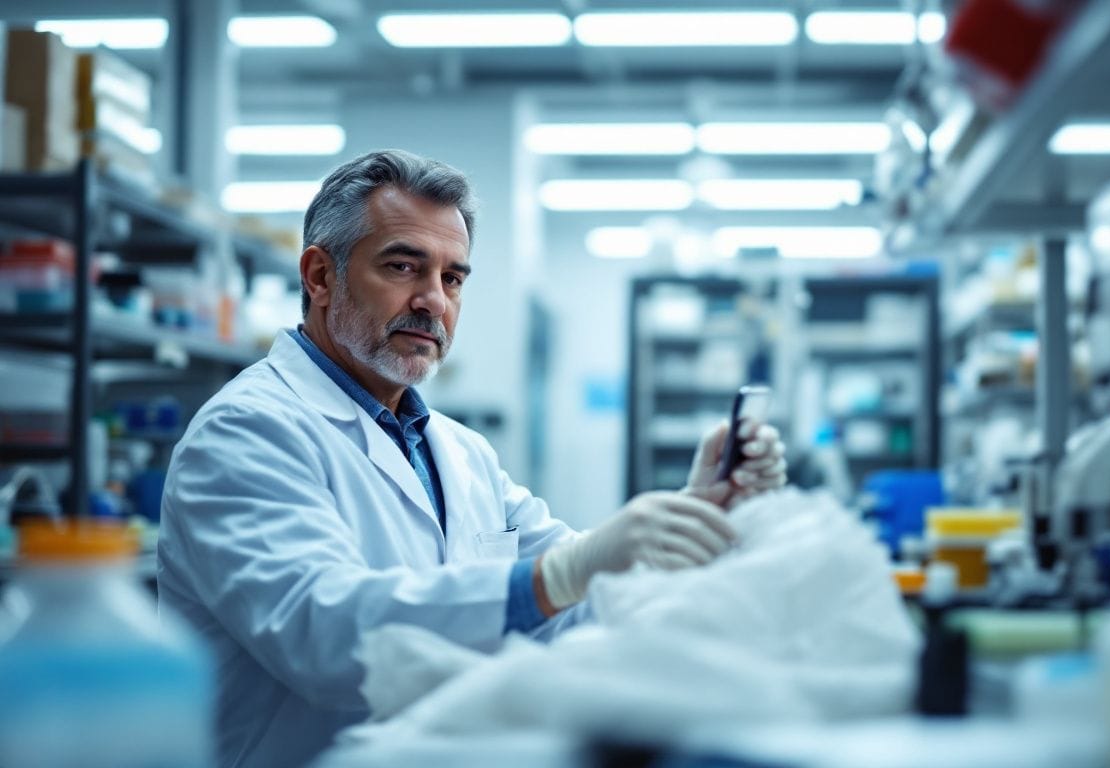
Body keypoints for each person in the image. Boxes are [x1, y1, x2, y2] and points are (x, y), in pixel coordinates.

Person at [157, 149, 787, 767]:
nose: (433, 300)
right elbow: (327, 636)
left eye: (452, 277)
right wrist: (557, 576)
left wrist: (699, 518)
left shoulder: (460, 453)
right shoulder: (246, 431)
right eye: (404, 267)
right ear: (321, 277)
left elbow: (574, 613)